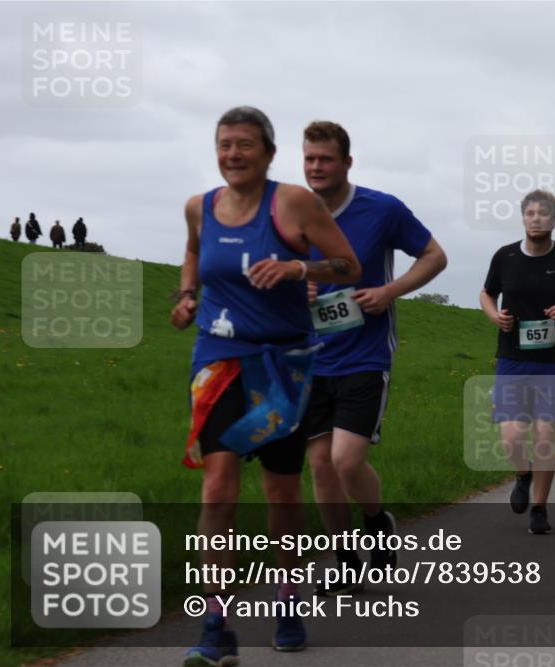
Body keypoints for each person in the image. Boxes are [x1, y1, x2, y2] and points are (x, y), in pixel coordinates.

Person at [171, 106, 360, 665]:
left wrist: (298, 269)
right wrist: (185, 296)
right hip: (218, 358)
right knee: (218, 484)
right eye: (225, 144)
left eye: (245, 145)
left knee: (281, 490)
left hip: (282, 363)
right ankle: (217, 623)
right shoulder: (199, 207)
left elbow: (347, 266)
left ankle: (286, 600)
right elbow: (192, 251)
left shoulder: (295, 203)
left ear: (269, 153)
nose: (233, 154)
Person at [300, 120, 447, 596]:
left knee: (345, 460)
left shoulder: (380, 209)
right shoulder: (289, 214)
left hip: (364, 355)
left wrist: (389, 291)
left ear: (346, 162)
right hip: (308, 357)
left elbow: (433, 255)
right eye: (309, 159)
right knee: (320, 465)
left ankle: (376, 520)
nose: (316, 167)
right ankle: (344, 560)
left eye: (325, 158)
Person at [480, 189, 555, 535]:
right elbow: (487, 292)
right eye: (530, 213)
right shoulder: (504, 257)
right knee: (512, 439)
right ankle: (522, 473)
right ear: (522, 218)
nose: (536, 218)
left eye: (543, 214)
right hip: (513, 360)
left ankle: (540, 507)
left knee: (545, 434)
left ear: (554, 220)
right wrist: (493, 316)